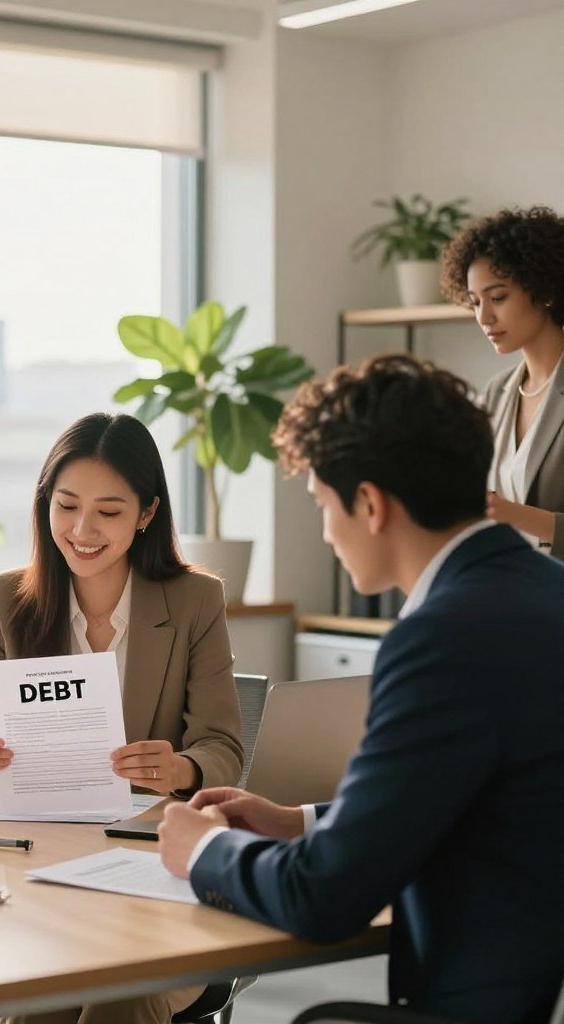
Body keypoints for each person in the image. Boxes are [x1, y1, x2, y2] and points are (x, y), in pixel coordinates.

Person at [159, 355, 564, 1024]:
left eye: (322, 504)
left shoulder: (442, 636)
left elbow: (324, 897)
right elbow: (493, 790)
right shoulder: (542, 593)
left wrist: (201, 849)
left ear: (371, 504)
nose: (325, 531)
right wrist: (308, 822)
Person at [0, 411, 244, 1024]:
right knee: (36, 993)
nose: (82, 529)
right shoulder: (6, 599)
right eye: (66, 505)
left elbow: (224, 748)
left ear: (147, 514)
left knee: (121, 987)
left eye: (109, 511)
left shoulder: (194, 601)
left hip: (155, 872)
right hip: (39, 868)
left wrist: (182, 767)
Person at [441, 205, 564, 557]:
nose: (484, 317)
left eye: (498, 298)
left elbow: (504, 511)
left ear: (544, 291)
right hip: (514, 593)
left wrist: (512, 514)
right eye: (475, 302)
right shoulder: (497, 393)